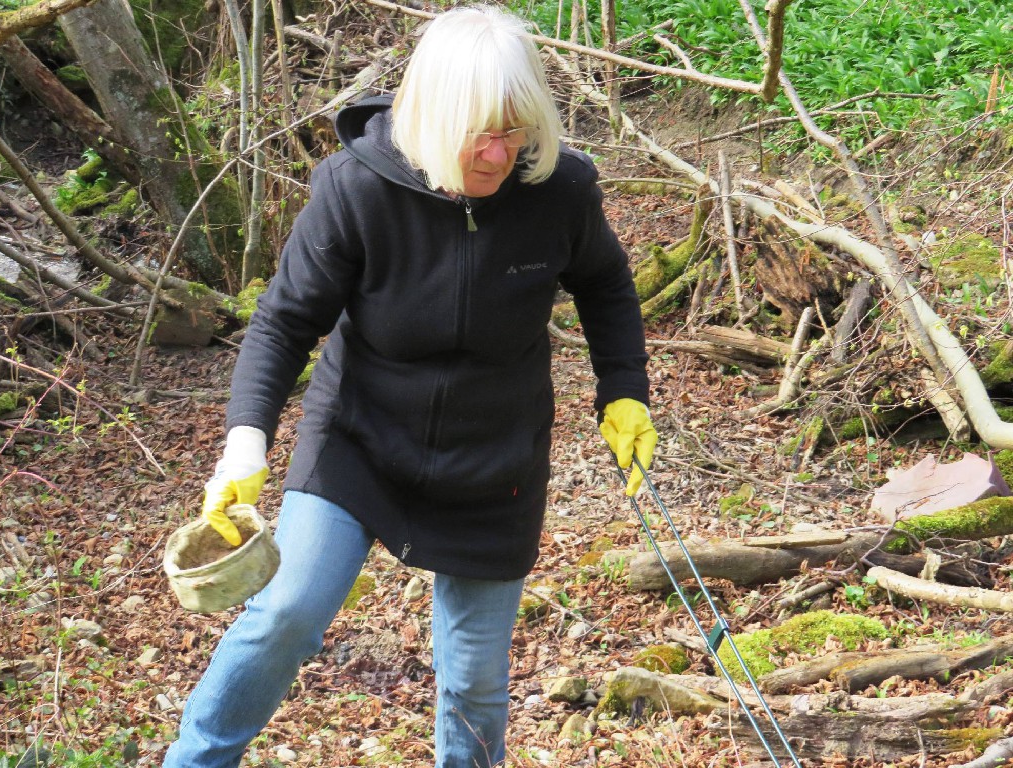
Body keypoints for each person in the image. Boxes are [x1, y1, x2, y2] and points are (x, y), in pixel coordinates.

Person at [163, 6, 657, 768]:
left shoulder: (558, 191)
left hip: (497, 458)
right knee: (286, 612)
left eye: (515, 130)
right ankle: (194, 760)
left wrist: (623, 389)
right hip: (360, 438)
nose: (498, 154)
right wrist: (243, 446)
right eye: (479, 133)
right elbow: (283, 324)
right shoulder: (356, 187)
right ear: (431, 115)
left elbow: (608, 286)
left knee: (476, 682)